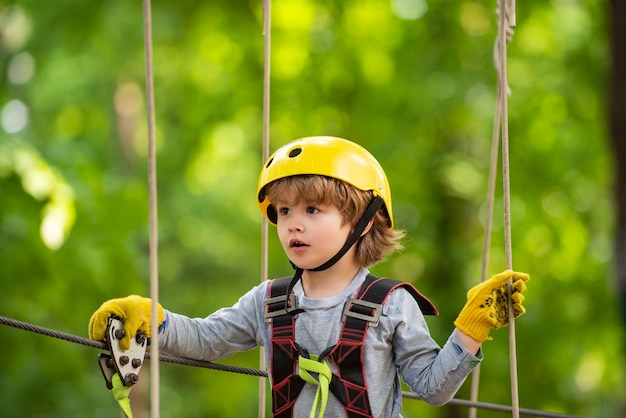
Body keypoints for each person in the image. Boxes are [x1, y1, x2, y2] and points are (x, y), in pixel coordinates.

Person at [89, 136, 529, 418]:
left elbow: (433, 388)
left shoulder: (390, 304)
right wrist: (153, 319)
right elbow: (207, 339)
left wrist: (471, 330)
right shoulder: (269, 301)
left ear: (364, 220)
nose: (292, 225)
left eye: (312, 210)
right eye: (283, 212)